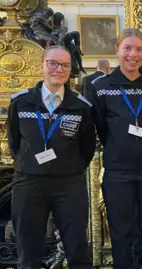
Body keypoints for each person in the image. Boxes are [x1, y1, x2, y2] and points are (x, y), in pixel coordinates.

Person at [6, 45, 96, 269]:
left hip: (69, 185)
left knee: (78, 250)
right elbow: (14, 142)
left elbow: (87, 148)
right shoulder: (21, 102)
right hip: (29, 183)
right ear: (42, 66)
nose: (59, 69)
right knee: (28, 253)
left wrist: (68, 167)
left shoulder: (81, 107)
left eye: (65, 65)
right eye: (53, 63)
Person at [89, 28, 142, 269]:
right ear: (117, 51)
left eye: (139, 49)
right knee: (121, 234)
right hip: (118, 172)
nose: (133, 54)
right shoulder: (99, 86)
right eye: (127, 48)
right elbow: (101, 127)